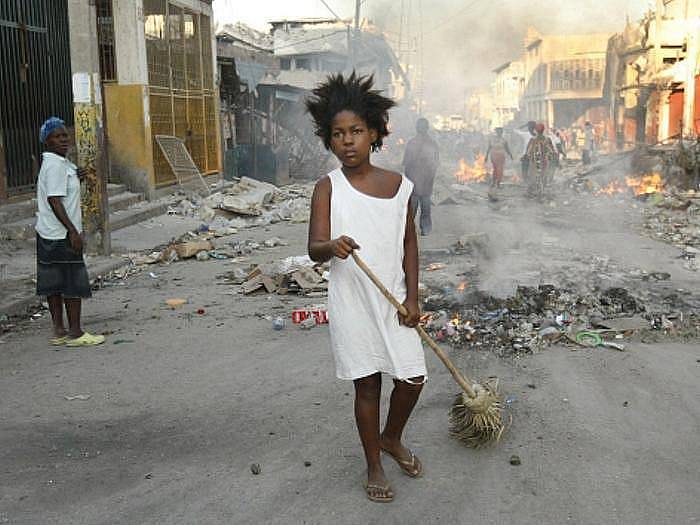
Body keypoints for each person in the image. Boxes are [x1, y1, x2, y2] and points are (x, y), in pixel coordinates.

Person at [306, 73, 426, 503]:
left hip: (392, 298)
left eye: (356, 131)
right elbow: (314, 247)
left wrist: (412, 297)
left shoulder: (400, 187)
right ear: (329, 140)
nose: (348, 141)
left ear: (374, 133)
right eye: (338, 134)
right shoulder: (328, 189)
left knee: (412, 377)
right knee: (368, 383)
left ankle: (391, 437)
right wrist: (331, 246)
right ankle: (374, 462)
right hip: (352, 300)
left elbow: (409, 245)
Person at [35, 117, 105, 347]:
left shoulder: (59, 163)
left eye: (65, 135)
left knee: (53, 283)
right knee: (72, 281)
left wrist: (77, 175)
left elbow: (64, 185)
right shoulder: (55, 165)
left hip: (47, 233)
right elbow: (55, 200)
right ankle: (75, 332)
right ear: (47, 140)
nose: (64, 140)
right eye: (57, 136)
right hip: (61, 235)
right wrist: (73, 232)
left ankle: (59, 330)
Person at [402, 118, 439, 235]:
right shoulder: (432, 143)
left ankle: (408, 229)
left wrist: (408, 179)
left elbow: (406, 163)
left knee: (412, 206)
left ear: (416, 128)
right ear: (427, 128)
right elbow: (436, 162)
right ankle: (425, 229)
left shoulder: (412, 143)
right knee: (425, 204)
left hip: (414, 181)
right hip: (426, 181)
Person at [526, 122, 557, 198]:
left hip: (534, 162)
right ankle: (540, 191)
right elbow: (551, 151)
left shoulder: (532, 140)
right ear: (543, 130)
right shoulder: (547, 139)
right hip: (544, 162)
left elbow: (528, 152)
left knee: (535, 176)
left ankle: (538, 192)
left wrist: (529, 158)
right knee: (542, 176)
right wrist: (550, 158)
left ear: (536, 130)